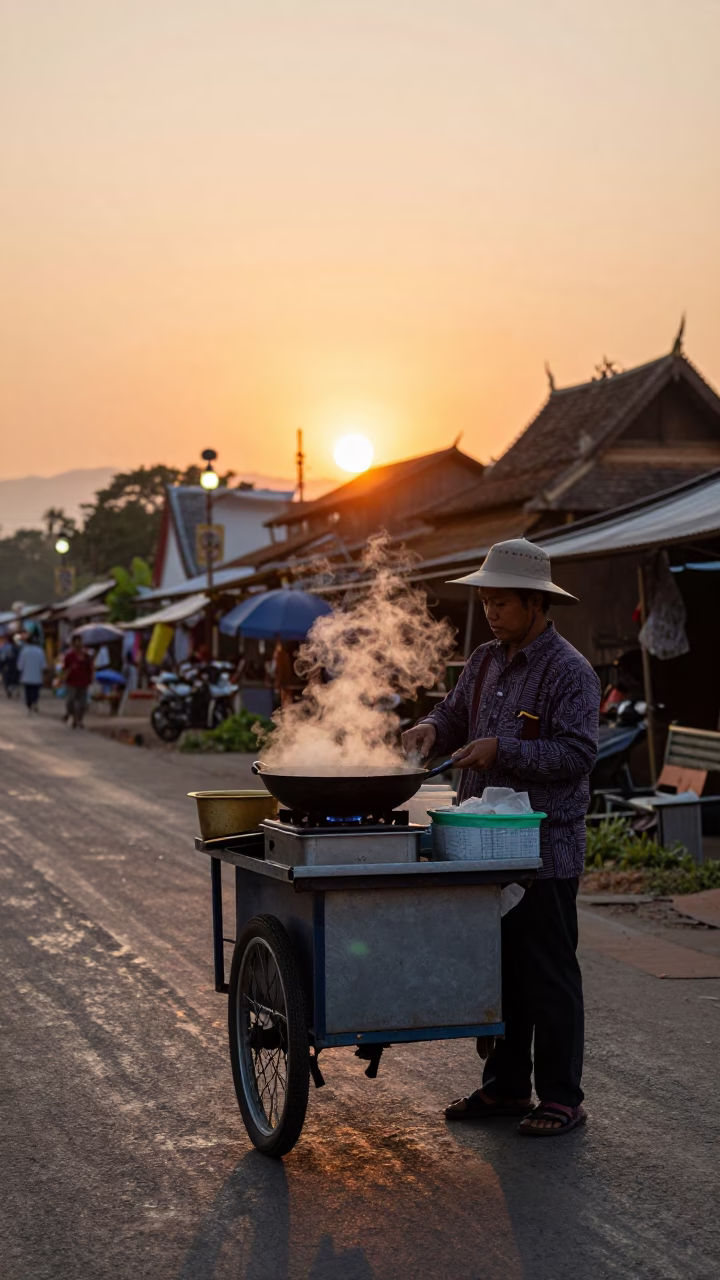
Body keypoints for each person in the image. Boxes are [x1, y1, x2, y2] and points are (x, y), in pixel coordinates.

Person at [402, 538, 600, 1138]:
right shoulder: (486, 660)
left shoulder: (569, 671)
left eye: (502, 603)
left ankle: (563, 1097)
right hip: (482, 849)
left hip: (545, 852)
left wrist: (503, 750)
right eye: (486, 601)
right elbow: (455, 713)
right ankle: (507, 1088)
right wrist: (430, 730)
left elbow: (577, 754)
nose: (491, 612)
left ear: (537, 604)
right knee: (502, 972)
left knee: (549, 974)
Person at [63, 635, 94, 728]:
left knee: (82, 703)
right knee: (70, 701)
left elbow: (90, 669)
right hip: (72, 682)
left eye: (79, 642)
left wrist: (91, 679)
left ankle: (79, 719)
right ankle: (71, 714)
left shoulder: (87, 657)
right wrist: (69, 670)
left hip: (84, 682)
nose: (78, 645)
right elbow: (65, 668)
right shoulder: (69, 656)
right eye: (76, 643)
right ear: (73, 644)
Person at [17, 631, 47, 713]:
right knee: (35, 691)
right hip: (37, 676)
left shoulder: (24, 651)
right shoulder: (39, 651)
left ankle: (29, 705)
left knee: (28, 692)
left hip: (26, 676)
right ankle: (35, 702)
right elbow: (43, 665)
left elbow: (20, 665)